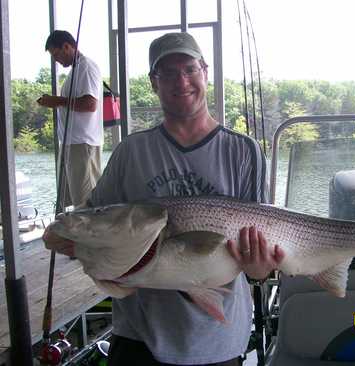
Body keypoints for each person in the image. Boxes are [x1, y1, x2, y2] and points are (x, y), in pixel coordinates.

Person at [43, 32, 285, 365]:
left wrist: (260, 267)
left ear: (205, 72)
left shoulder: (244, 151)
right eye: (167, 73)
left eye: (189, 69)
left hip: (218, 340)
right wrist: (68, 237)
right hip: (138, 336)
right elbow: (90, 219)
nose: (181, 81)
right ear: (153, 82)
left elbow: (259, 265)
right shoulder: (131, 151)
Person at [37, 30, 103, 209]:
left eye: (56, 54)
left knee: (86, 203)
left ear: (67, 46)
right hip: (73, 144)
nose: (56, 60)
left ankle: (90, 237)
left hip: (82, 143)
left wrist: (57, 101)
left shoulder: (86, 68)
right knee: (75, 199)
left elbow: (90, 104)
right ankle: (79, 235)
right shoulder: (76, 70)